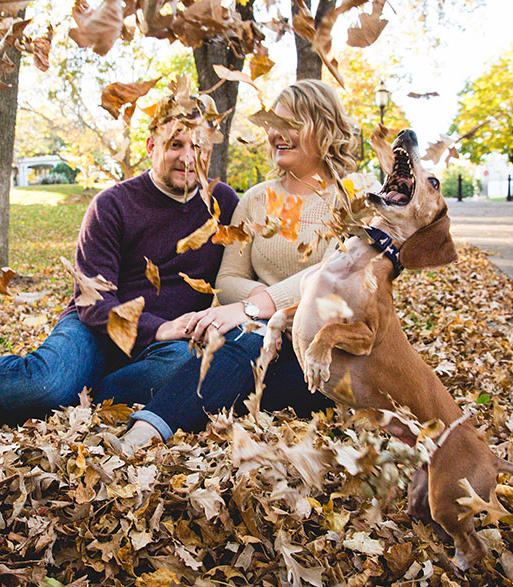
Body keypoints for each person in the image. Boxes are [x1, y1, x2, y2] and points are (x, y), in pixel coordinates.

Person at [0, 93, 239, 432]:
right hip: (97, 329)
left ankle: (62, 398)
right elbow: (93, 301)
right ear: (151, 145)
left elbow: (247, 268)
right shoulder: (112, 205)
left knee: (183, 371)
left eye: (198, 146)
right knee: (43, 384)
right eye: (176, 144)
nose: (188, 157)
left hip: (172, 343)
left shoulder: (223, 203)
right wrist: (160, 328)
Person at [100, 79, 368, 453]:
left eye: (288, 124)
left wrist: (254, 308)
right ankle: (100, 392)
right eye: (272, 124)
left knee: (240, 343)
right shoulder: (257, 199)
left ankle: (143, 434)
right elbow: (227, 278)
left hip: (325, 359)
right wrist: (258, 303)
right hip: (259, 349)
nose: (275, 134)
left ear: (322, 126)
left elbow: (331, 276)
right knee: (205, 357)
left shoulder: (358, 196)